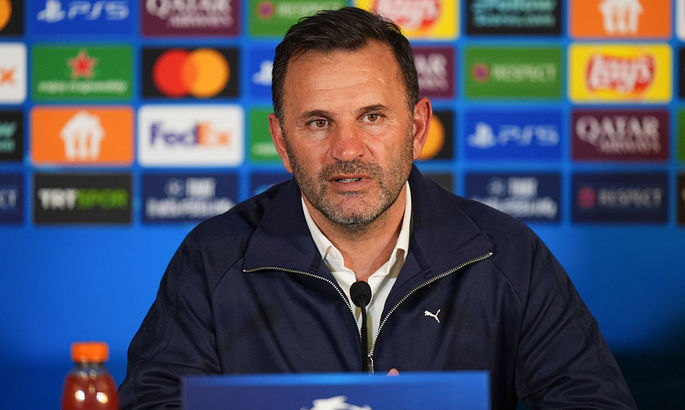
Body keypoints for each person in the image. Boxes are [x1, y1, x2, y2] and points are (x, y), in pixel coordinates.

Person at [119, 7, 637, 409]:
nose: (347, 150)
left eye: (372, 117)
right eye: (318, 122)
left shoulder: (507, 257)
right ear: (281, 140)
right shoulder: (212, 261)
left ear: (417, 127)